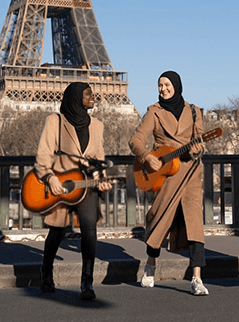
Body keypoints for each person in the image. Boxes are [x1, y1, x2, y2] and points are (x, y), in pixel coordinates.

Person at [129, 71, 209, 296]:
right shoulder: (154, 112)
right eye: (160, 85)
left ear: (177, 86)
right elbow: (136, 140)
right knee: (159, 220)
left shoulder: (194, 111)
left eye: (166, 84)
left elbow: (200, 139)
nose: (163, 88)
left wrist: (197, 149)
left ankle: (196, 278)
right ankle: (151, 265)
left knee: (195, 226)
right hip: (166, 174)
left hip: (191, 173)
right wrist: (147, 157)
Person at [34, 82, 112, 301]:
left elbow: (98, 158)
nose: (93, 96)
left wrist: (102, 178)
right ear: (76, 97)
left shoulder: (97, 125)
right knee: (57, 232)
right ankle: (46, 274)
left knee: (89, 231)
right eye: (88, 94)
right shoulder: (55, 121)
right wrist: (49, 177)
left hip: (86, 187)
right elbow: (44, 154)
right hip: (61, 186)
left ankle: (87, 283)